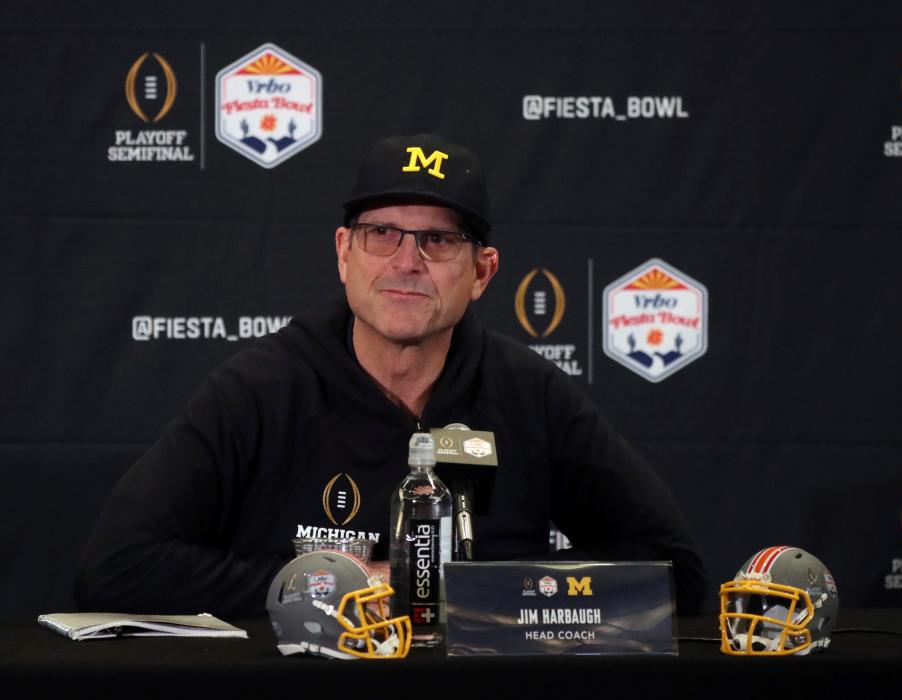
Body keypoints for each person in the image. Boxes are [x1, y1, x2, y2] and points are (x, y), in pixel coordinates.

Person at [75, 134, 706, 618]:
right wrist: (344, 585)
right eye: (382, 234)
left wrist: (497, 593)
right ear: (344, 253)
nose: (408, 262)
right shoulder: (260, 390)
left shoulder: (531, 394)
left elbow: (677, 571)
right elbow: (116, 567)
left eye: (438, 241)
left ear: (483, 272)